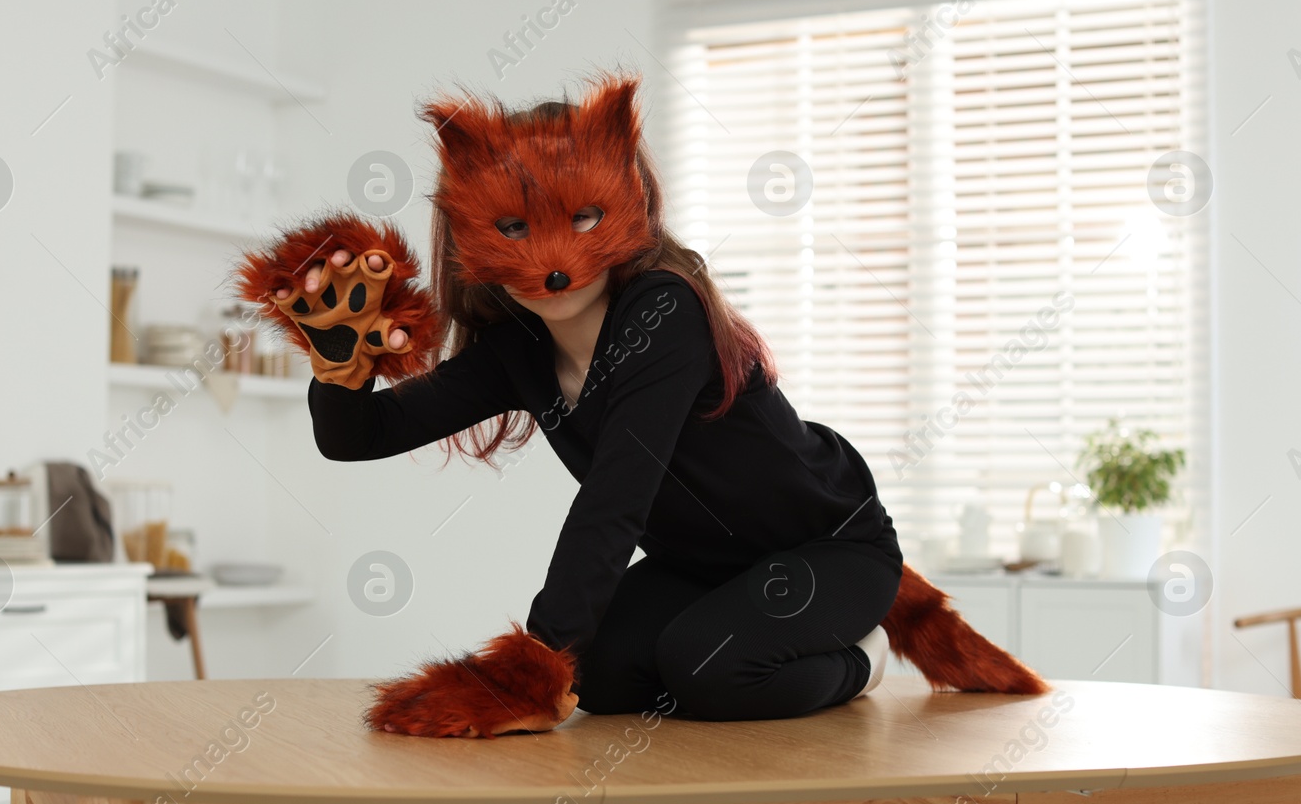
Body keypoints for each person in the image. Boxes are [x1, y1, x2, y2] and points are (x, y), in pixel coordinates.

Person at [238, 75, 1044, 739]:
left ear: (627, 201)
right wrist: (339, 362)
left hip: (829, 549)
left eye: (582, 218)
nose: (553, 266)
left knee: (709, 666)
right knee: (608, 678)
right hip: (707, 565)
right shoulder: (520, 343)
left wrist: (528, 667)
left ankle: (859, 655)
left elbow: (615, 498)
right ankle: (754, 645)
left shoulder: (665, 310)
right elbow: (360, 437)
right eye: (517, 228)